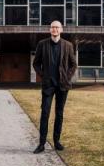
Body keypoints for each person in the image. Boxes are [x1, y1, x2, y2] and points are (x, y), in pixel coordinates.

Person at [32, 20, 76, 153]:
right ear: (50, 30)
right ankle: (41, 144)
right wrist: (43, 75)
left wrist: (67, 77)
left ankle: (57, 141)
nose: (55, 29)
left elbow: (73, 64)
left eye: (57, 27)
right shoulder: (42, 44)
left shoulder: (68, 45)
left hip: (62, 85)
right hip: (48, 85)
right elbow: (36, 63)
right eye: (52, 27)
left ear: (61, 30)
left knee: (59, 113)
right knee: (44, 113)